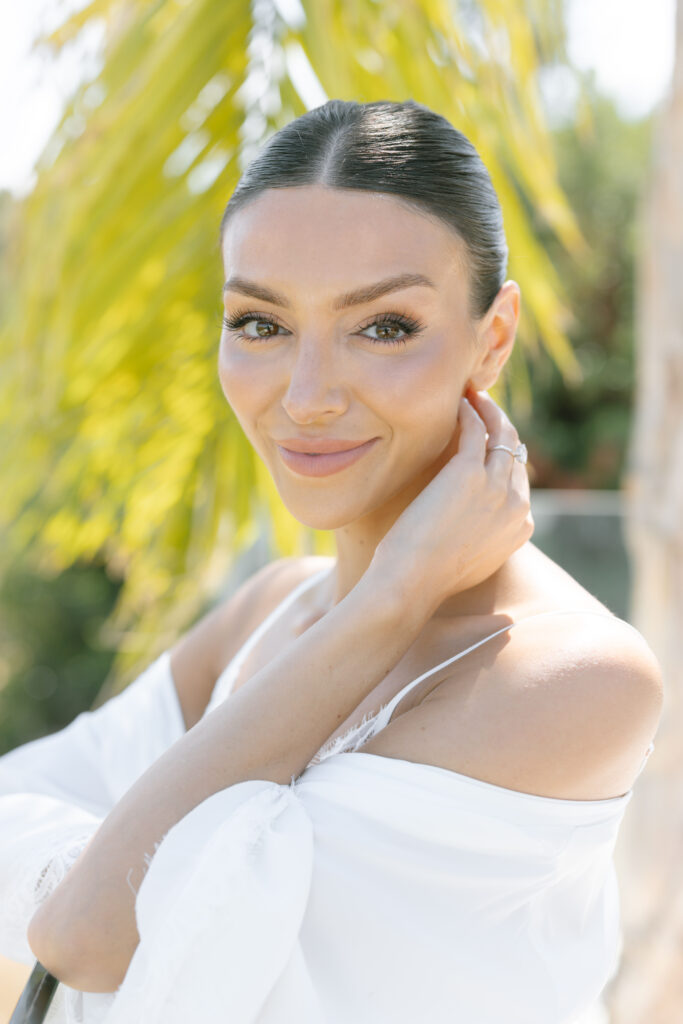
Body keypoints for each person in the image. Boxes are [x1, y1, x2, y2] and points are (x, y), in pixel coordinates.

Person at [0, 98, 662, 1024]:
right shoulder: (273, 607)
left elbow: (85, 941)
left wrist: (392, 600)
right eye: (261, 324)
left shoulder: (575, 677)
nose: (305, 397)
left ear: (492, 338)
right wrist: (379, 603)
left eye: (383, 326)